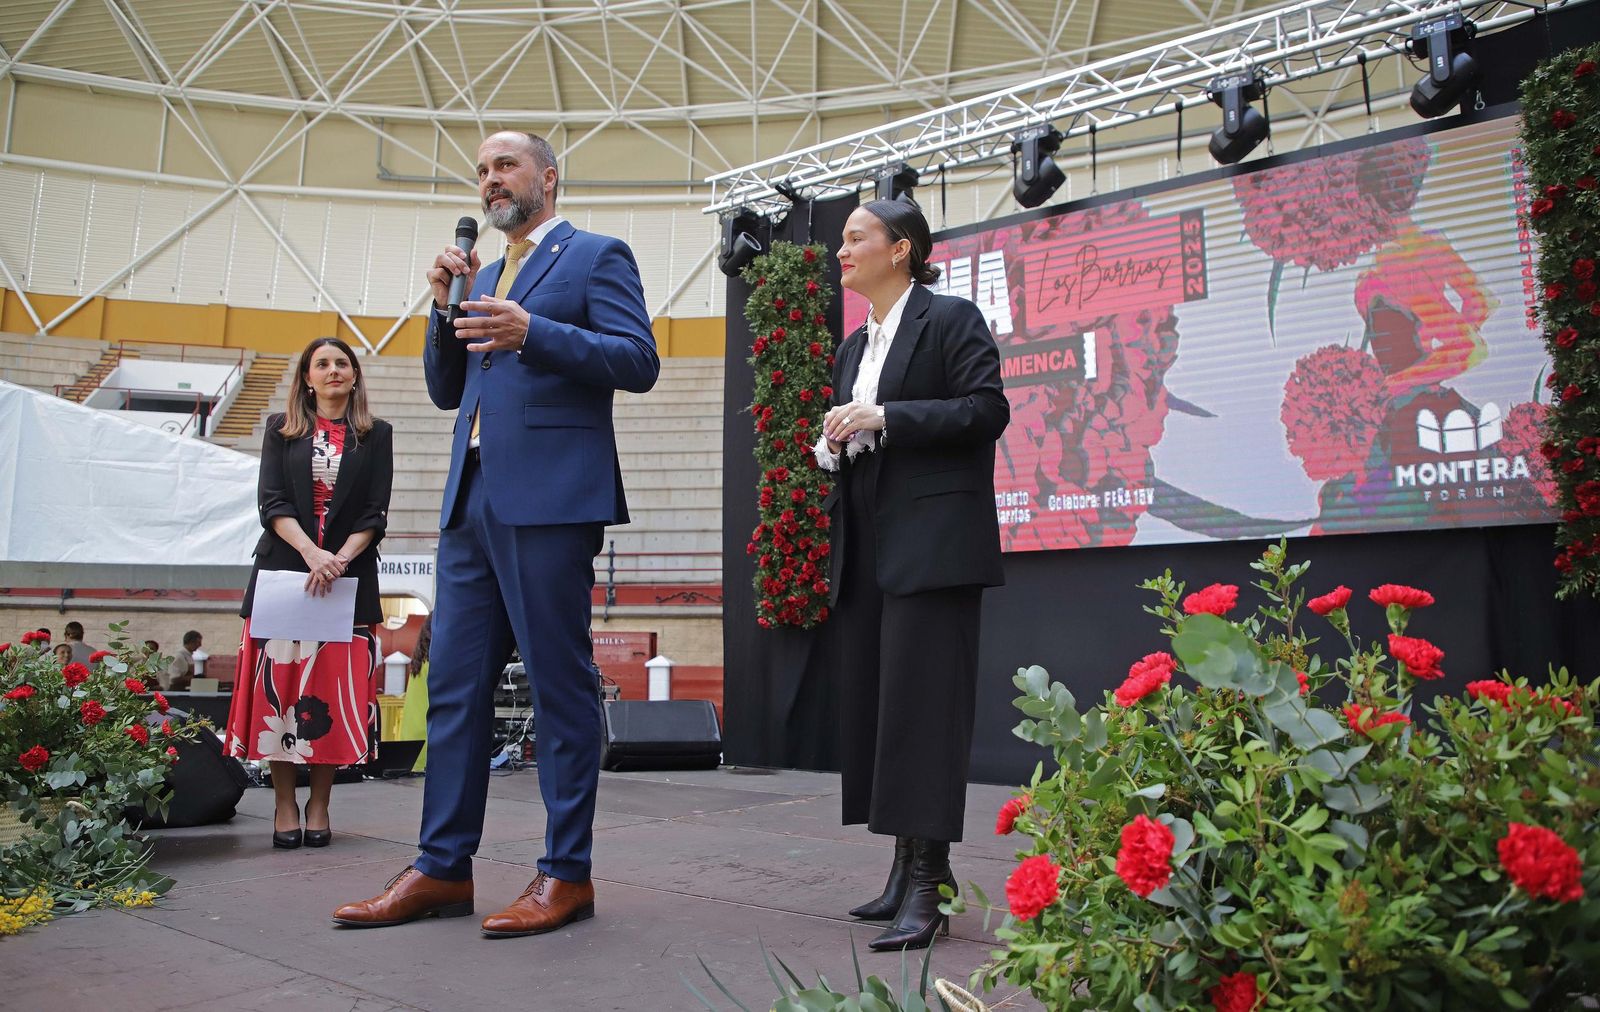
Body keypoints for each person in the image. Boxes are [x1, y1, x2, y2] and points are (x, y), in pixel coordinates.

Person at [333, 131, 658, 936]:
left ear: (547, 177)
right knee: (454, 689)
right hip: (470, 500)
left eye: (504, 166)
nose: (489, 181)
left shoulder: (594, 256)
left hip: (550, 497)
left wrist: (533, 332)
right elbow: (448, 390)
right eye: (480, 171)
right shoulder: (480, 273)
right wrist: (443, 308)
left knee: (557, 684)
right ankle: (442, 867)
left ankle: (565, 873)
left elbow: (638, 359)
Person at [814, 199, 1009, 951]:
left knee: (925, 714)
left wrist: (884, 418)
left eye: (855, 237)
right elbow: (857, 430)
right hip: (867, 545)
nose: (843, 250)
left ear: (901, 249)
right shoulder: (853, 345)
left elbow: (985, 410)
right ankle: (904, 870)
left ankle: (930, 887)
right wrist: (836, 445)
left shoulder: (952, 318)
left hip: (934, 547)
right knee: (884, 711)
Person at [223, 336, 393, 851]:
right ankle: (281, 804)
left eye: (342, 363)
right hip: (285, 576)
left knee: (326, 700)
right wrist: (313, 555)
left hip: (347, 581)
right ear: (306, 377)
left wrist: (338, 558)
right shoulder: (281, 429)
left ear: (355, 375)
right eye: (322, 363)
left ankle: (319, 804)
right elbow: (271, 502)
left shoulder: (376, 434)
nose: (333, 370)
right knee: (282, 693)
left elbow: (375, 510)